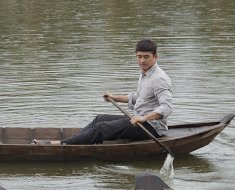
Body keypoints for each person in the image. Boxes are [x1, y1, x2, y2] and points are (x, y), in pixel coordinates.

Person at [34, 39, 172, 145]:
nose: (142, 61)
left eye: (146, 57)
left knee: (101, 128)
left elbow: (166, 107)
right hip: (138, 120)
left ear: (155, 57)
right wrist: (115, 97)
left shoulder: (159, 78)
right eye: (139, 56)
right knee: (99, 119)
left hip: (151, 129)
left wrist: (143, 118)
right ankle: (72, 141)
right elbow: (139, 97)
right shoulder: (145, 73)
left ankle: (59, 144)